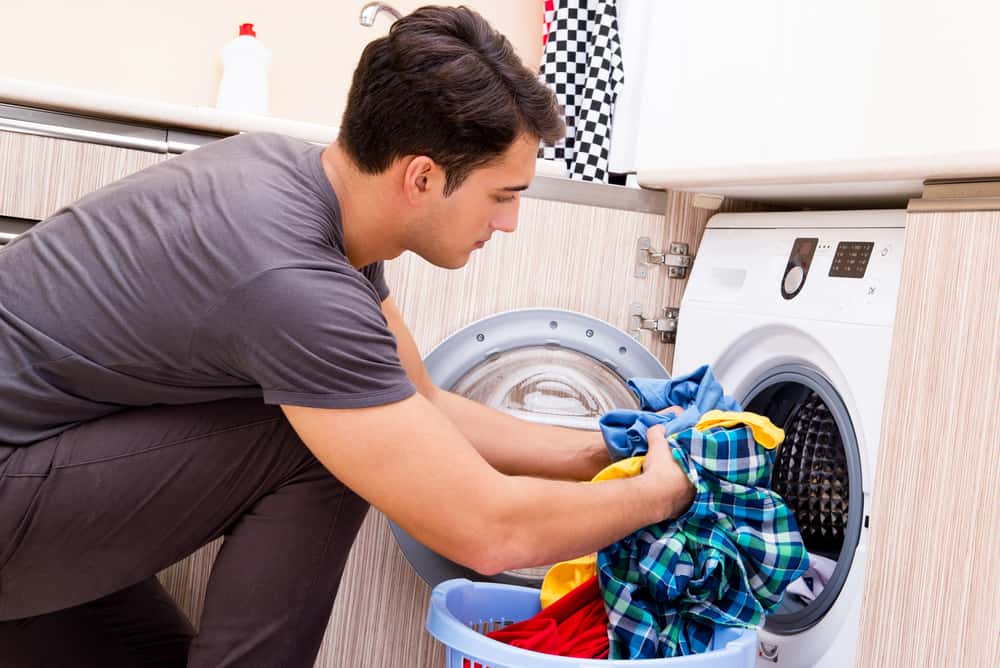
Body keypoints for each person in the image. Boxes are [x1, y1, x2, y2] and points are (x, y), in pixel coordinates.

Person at [0, 6, 693, 667]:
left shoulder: (299, 185)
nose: (508, 223)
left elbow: (421, 403)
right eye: (503, 195)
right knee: (318, 438)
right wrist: (658, 496)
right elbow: (487, 532)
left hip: (42, 460)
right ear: (422, 177)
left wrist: (604, 450)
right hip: (16, 483)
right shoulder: (294, 280)